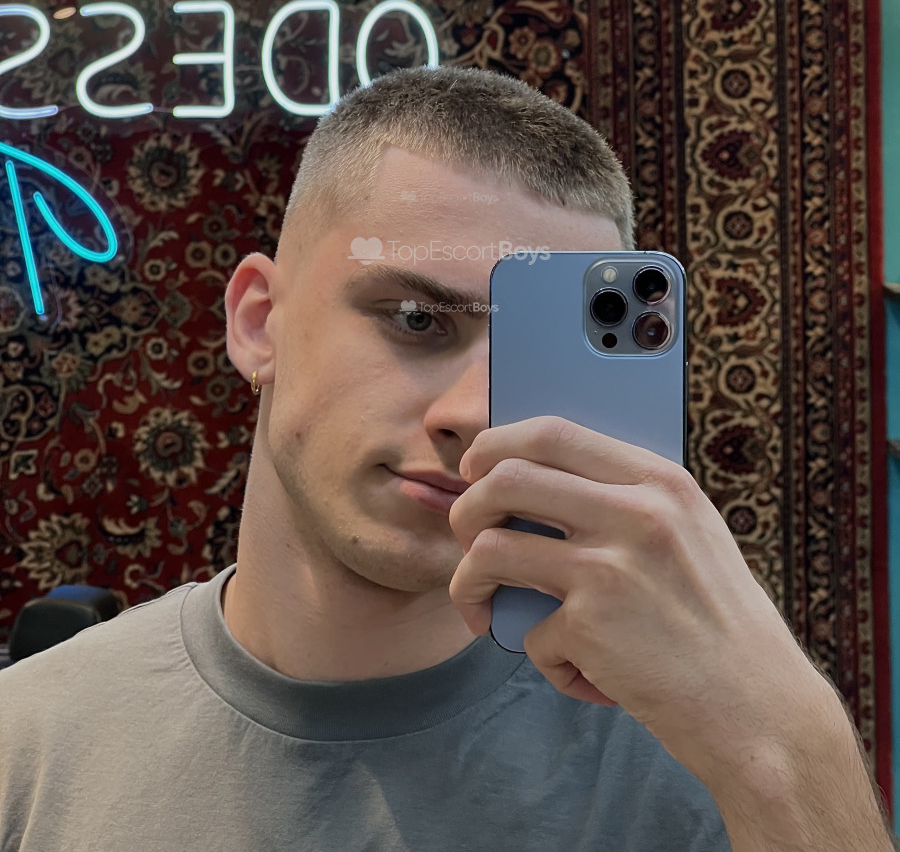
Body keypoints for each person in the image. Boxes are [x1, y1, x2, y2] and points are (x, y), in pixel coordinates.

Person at [0, 65, 893, 852]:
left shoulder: (709, 767)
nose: (473, 414)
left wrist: (793, 746)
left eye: (537, 357)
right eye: (417, 320)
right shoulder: (29, 750)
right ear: (260, 323)